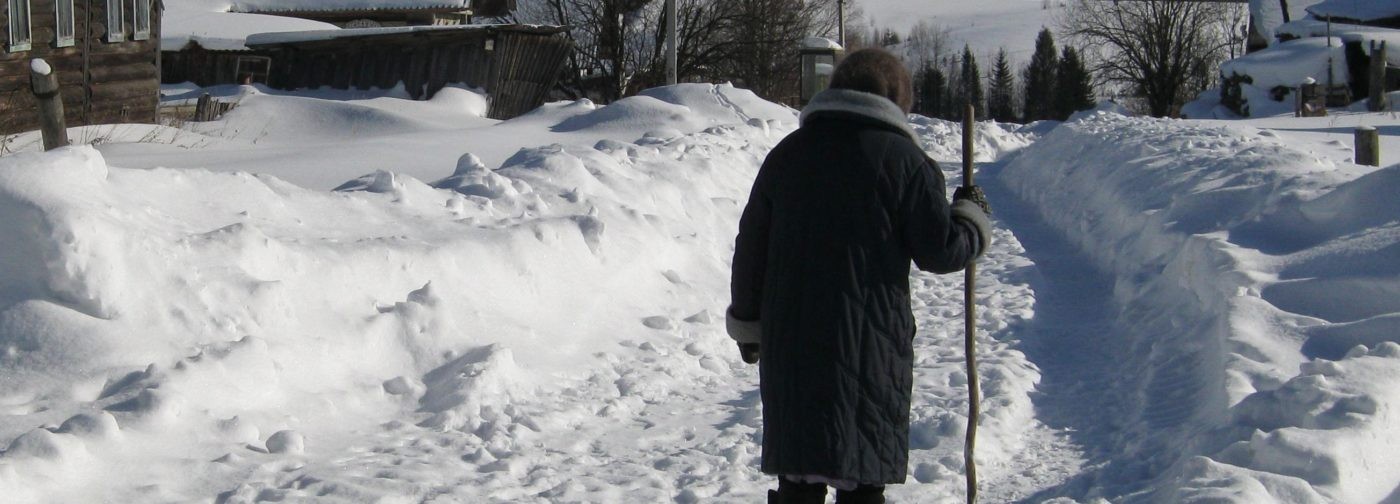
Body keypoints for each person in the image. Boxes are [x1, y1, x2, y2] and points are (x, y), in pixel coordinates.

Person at [726, 48, 992, 504]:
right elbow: (941, 249)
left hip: (793, 346)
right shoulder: (907, 163)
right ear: (896, 100)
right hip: (871, 349)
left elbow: (752, 246)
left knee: (799, 477)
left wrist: (750, 325)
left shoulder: (787, 156)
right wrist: (970, 217)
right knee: (862, 477)